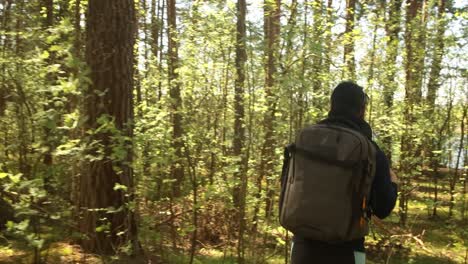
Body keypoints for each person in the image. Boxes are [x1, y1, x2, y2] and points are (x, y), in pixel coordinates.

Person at [290, 81, 398, 264]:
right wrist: (393, 183)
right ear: (362, 110)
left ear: (332, 105)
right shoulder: (370, 150)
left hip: (302, 245)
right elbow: (383, 208)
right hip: (347, 250)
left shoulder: (307, 139)